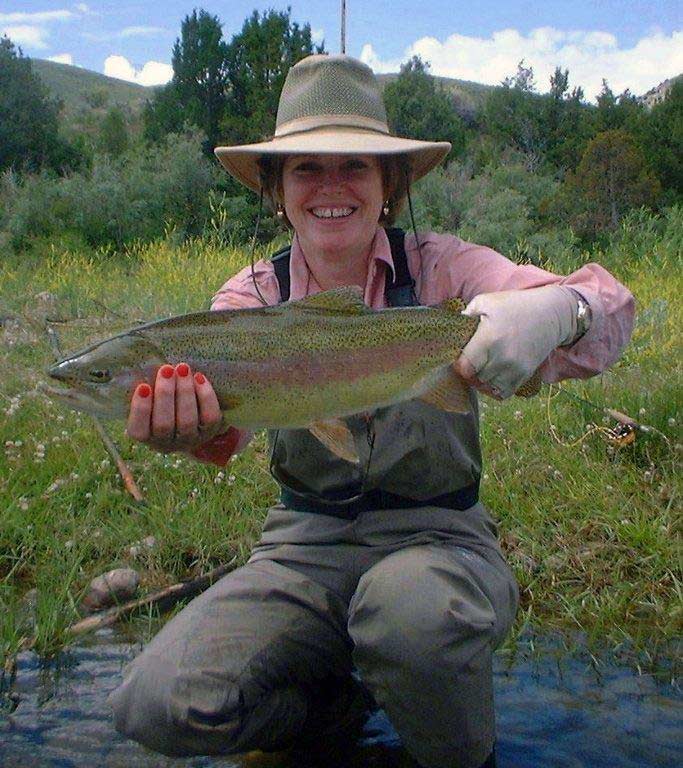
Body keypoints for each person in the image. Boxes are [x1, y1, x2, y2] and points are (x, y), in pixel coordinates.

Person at [109, 55, 634, 768]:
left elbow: (611, 306)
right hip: (302, 547)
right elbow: (223, 442)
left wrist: (559, 310)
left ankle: (457, 754)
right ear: (276, 191)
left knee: (408, 618)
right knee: (152, 703)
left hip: (440, 538)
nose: (331, 187)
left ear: (390, 186)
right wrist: (186, 432)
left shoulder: (446, 269)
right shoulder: (249, 301)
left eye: (354, 165)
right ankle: (328, 715)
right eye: (306, 169)